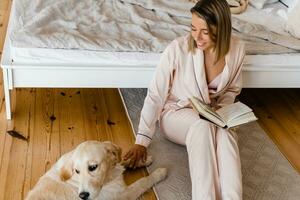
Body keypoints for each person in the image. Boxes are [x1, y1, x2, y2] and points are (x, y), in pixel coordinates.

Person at [123, 0, 245, 199]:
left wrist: (223, 112)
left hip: (213, 114)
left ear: (221, 28)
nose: (196, 36)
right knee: (203, 127)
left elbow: (231, 89)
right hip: (177, 114)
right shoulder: (177, 49)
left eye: (204, 31)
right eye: (193, 28)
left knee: (227, 135)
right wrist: (141, 140)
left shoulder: (237, 49)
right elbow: (156, 94)